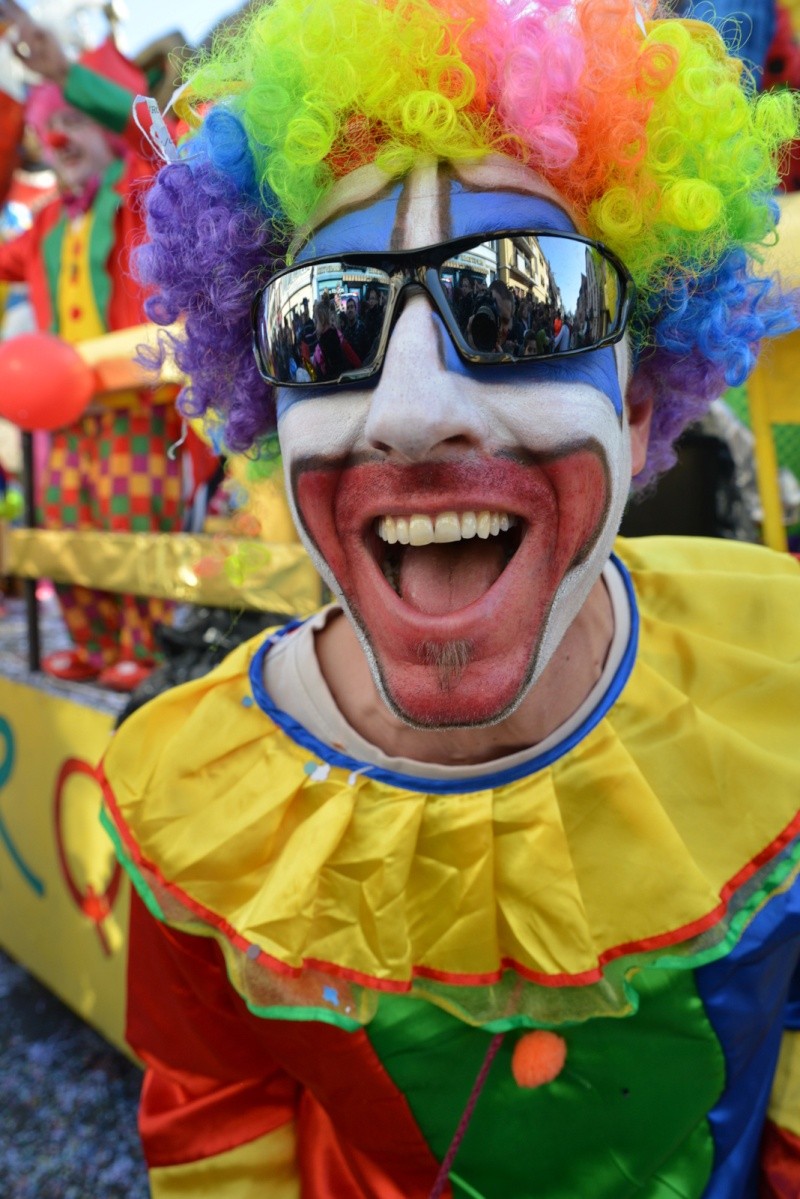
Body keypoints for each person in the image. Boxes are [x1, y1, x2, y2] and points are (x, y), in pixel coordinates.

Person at [98, 0, 800, 1194]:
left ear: (636, 415)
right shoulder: (188, 799)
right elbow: (220, 1131)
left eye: (524, 304)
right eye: (326, 327)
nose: (414, 410)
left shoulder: (775, 675)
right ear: (267, 417)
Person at [0, 1, 212, 691]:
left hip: (134, 395)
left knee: (133, 518)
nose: (58, 140)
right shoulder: (38, 229)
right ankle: (91, 640)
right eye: (49, 126)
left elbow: (151, 130)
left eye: (71, 122)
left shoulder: (136, 195)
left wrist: (66, 75)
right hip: (61, 412)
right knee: (65, 524)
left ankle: (141, 644)